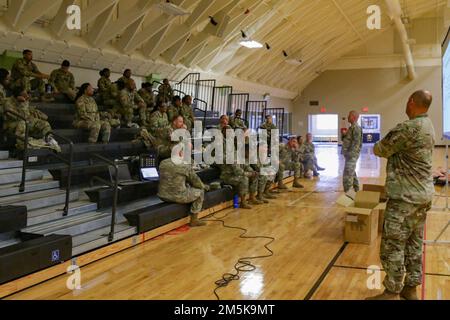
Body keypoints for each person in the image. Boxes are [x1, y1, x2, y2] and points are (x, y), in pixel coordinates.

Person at [367, 90, 435, 301]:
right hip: (422, 196)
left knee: (393, 244)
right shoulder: (429, 125)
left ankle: (392, 291)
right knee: (414, 243)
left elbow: (380, 149)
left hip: (405, 198)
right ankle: (410, 288)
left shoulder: (408, 128)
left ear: (411, 102)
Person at [158, 150, 209, 227]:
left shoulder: (163, 163)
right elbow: (197, 183)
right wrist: (205, 187)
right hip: (177, 196)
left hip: (162, 196)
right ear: (181, 153)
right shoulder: (184, 165)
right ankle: (194, 220)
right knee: (200, 192)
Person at [341, 111, 363, 195]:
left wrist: (350, 155)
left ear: (354, 117)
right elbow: (347, 140)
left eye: (349, 115)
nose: (347, 117)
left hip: (352, 155)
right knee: (352, 173)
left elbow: (356, 144)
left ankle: (349, 195)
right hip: (349, 155)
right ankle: (357, 191)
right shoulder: (351, 128)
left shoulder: (356, 128)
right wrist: (343, 135)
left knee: (347, 176)